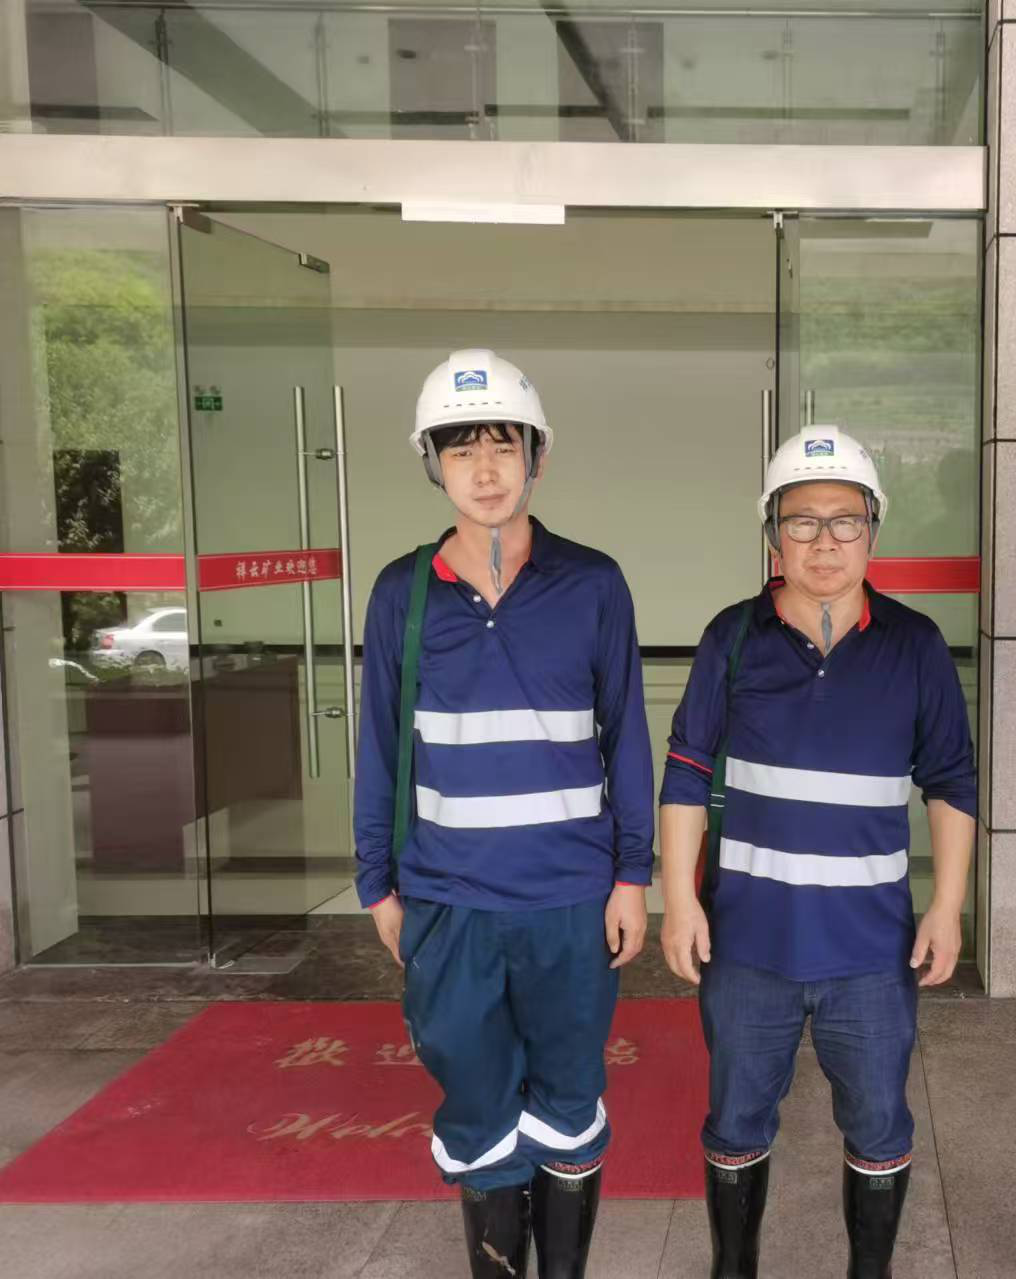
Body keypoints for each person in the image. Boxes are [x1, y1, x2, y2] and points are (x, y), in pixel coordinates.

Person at [353, 348, 654, 1279]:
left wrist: (632, 876)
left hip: (569, 899)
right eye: (460, 449)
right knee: (479, 1112)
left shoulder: (594, 583)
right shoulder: (402, 593)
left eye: (502, 446)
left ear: (537, 455)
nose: (484, 470)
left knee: (568, 1104)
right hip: (451, 903)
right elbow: (379, 747)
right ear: (433, 463)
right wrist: (377, 886)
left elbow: (626, 736)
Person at [657, 425, 977, 1279]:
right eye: (802, 521)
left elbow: (950, 780)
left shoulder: (915, 645)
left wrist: (947, 906)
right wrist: (679, 901)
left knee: (878, 1124)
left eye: (845, 521)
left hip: (871, 950)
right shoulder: (732, 637)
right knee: (735, 1122)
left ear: (873, 529)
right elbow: (686, 772)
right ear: (773, 532)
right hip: (746, 944)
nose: (824, 542)